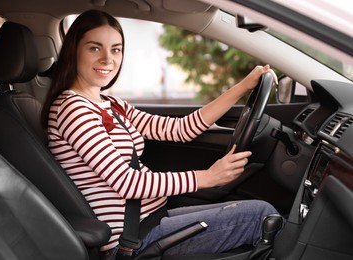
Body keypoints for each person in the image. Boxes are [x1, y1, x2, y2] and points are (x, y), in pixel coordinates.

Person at [41, 9, 279, 259]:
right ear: (74, 51)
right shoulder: (73, 109)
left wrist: (244, 86)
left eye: (116, 49)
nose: (107, 59)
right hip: (130, 240)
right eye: (94, 48)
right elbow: (126, 182)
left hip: (149, 221)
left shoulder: (110, 103)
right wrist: (207, 177)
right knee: (263, 217)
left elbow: (179, 130)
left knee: (260, 215)